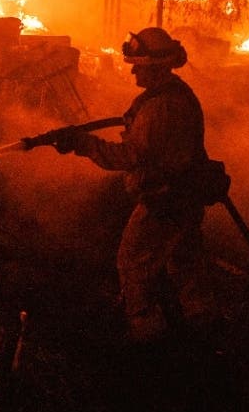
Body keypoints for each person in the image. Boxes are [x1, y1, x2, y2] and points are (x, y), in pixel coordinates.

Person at [54, 26, 215, 343]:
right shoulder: (173, 95)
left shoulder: (160, 106)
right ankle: (206, 324)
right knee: (185, 262)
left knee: (133, 264)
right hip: (184, 197)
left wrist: (84, 145)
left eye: (138, 66)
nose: (133, 72)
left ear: (154, 66)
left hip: (163, 200)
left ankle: (146, 333)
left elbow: (131, 156)